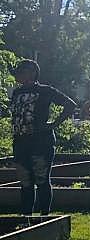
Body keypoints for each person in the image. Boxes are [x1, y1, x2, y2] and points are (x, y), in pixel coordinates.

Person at [9, 59, 77, 215]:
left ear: (32, 72)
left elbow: (70, 105)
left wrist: (53, 124)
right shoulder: (16, 92)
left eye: (22, 71)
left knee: (42, 179)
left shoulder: (45, 91)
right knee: (25, 181)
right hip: (20, 141)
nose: (18, 75)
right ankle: (26, 217)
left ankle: (44, 217)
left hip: (41, 142)